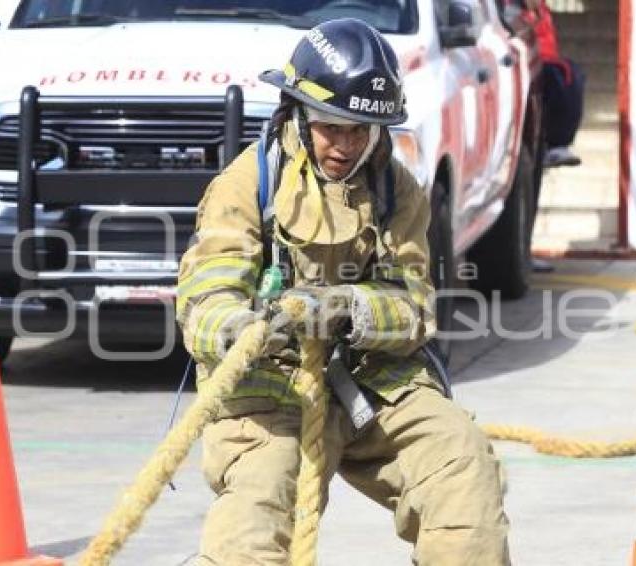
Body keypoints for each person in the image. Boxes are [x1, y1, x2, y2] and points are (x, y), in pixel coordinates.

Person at [176, 18, 509, 565]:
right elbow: (203, 303)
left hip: (376, 384)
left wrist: (349, 309)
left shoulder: (395, 190)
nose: (346, 145)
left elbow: (416, 305)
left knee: (463, 468)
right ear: (299, 113)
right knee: (254, 522)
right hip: (272, 390)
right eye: (333, 126)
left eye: (361, 130)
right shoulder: (247, 185)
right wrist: (247, 327)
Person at [524, 0, 585, 168]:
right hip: (526, 60)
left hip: (544, 58)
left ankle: (558, 144)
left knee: (572, 75)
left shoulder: (541, 8)